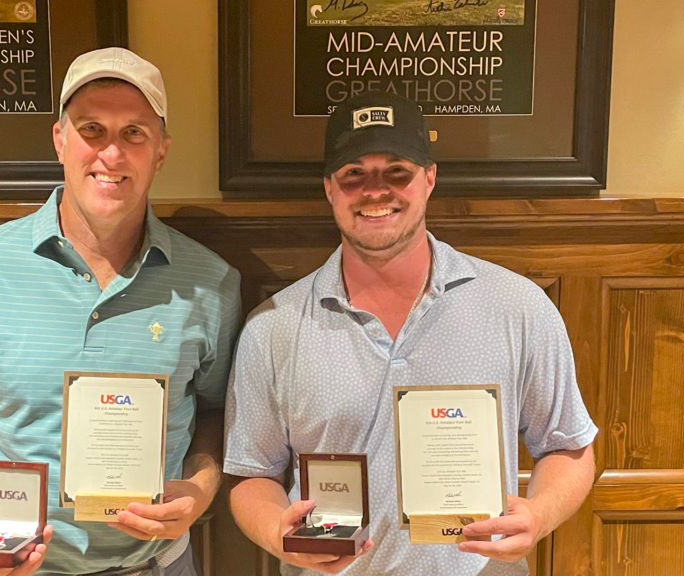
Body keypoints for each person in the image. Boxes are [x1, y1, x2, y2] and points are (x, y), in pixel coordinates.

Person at [224, 92, 597, 575]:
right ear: (329, 188)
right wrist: (277, 532)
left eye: (396, 170)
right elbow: (252, 474)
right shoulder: (271, 327)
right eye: (353, 174)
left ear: (429, 178)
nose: (375, 190)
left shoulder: (518, 306)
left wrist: (539, 514)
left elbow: (569, 445)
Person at [0, 47, 241, 576]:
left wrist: (197, 491)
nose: (111, 153)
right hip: (13, 566)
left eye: (134, 133)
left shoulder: (212, 282)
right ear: (60, 140)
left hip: (157, 565)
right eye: (91, 130)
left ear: (161, 152)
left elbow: (217, 414)